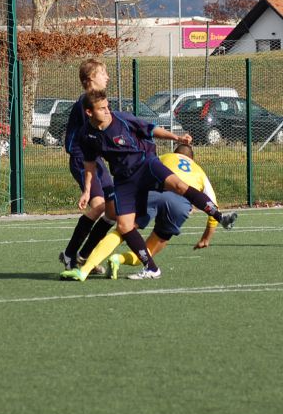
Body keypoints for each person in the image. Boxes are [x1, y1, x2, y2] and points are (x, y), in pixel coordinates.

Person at [60, 90, 237, 281]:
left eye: (107, 107)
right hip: (124, 180)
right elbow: (89, 164)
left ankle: (221, 217)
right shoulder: (86, 134)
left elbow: (152, 130)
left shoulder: (122, 119)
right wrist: (87, 190)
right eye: (102, 109)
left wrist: (177, 138)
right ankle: (151, 268)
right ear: (89, 112)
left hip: (146, 165)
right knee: (124, 225)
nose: (107, 111)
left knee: (178, 185)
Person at [75, 143, 225, 280]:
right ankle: (118, 259)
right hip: (179, 205)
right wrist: (205, 239)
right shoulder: (199, 171)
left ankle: (87, 266)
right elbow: (213, 207)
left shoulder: (163, 157)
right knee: (149, 249)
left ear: (175, 153)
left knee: (124, 228)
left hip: (154, 193)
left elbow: (142, 171)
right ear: (192, 159)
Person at [58, 58, 116, 275]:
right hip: (83, 161)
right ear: (91, 78)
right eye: (103, 73)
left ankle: (83, 257)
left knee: (112, 209)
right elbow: (92, 137)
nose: (107, 77)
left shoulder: (99, 102)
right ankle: (73, 254)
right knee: (101, 206)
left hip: (97, 161)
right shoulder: (86, 103)